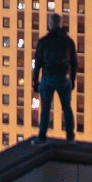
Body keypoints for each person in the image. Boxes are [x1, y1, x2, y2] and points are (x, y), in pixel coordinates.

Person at [32, 14, 77, 143]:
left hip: (47, 79)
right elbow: (74, 63)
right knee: (67, 108)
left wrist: (35, 81)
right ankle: (70, 137)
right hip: (64, 79)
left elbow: (38, 63)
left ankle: (42, 138)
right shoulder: (69, 41)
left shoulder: (44, 41)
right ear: (60, 24)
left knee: (45, 109)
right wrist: (72, 80)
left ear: (50, 24)